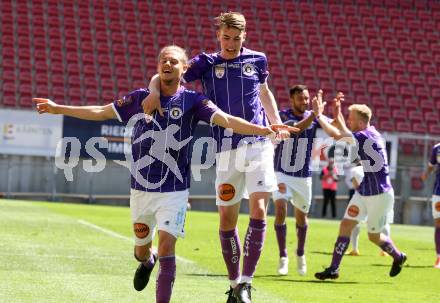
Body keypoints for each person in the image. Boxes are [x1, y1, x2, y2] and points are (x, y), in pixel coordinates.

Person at [33, 45, 296, 303]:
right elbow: (102, 111)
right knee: (140, 251)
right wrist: (59, 108)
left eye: (173, 61)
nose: (167, 64)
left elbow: (226, 120)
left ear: (184, 68)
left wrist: (263, 130)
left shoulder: (194, 101)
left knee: (168, 247)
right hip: (141, 189)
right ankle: (147, 260)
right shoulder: (139, 98)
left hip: (175, 191)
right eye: (163, 61)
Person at [143, 12, 289, 303]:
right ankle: (234, 283)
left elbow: (264, 91)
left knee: (259, 208)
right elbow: (169, 73)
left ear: (244, 36)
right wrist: (152, 91)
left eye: (236, 38)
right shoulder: (206, 63)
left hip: (258, 143)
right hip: (226, 150)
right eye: (226, 38)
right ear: (218, 36)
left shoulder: (257, 59)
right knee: (226, 220)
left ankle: (247, 282)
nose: (231, 43)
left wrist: (275, 122)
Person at [313, 93, 407, 280]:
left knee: (373, 236)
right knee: (346, 224)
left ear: (362, 122)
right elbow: (345, 131)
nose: (349, 121)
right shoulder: (368, 133)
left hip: (379, 194)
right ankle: (333, 268)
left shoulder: (364, 136)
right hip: (365, 190)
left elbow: (336, 134)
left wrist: (318, 116)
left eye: (352, 119)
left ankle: (398, 256)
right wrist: (337, 113)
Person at [271, 85, 335, 276]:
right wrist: (315, 115)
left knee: (301, 217)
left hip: (303, 176)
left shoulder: (314, 116)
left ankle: (300, 254)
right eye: (301, 98)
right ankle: (283, 256)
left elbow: (333, 130)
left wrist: (330, 115)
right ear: (291, 100)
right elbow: (295, 129)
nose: (305, 102)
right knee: (281, 209)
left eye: (307, 98)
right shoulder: (282, 116)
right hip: (281, 172)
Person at [421, 142, 440, 268]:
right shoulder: (437, 148)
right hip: (439, 191)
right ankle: (439, 257)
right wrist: (426, 174)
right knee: (438, 223)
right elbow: (431, 165)